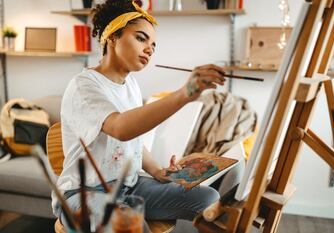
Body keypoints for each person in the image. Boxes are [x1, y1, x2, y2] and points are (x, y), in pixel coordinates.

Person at [52, 0, 227, 229]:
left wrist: (157, 170)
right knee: (130, 225)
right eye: (141, 38)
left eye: (153, 45)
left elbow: (131, 140)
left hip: (130, 185)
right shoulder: (83, 86)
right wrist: (186, 93)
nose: (149, 50)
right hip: (84, 192)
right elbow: (121, 128)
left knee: (209, 200)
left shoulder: (131, 86)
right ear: (112, 37)